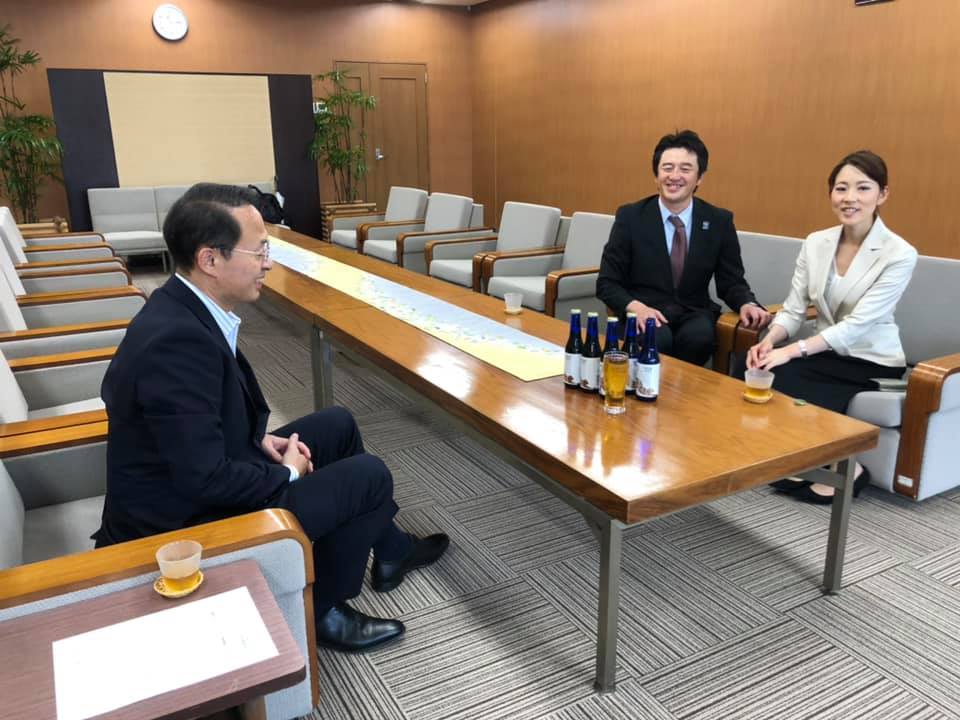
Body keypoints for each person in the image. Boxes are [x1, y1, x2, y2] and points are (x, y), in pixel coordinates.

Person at [94, 183, 449, 652]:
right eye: (259, 250)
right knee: (369, 476)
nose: (269, 263)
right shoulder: (177, 344)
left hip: (192, 481)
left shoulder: (181, 306)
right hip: (182, 529)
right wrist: (287, 473)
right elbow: (203, 479)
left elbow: (191, 425)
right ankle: (321, 610)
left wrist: (256, 440)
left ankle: (391, 550)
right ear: (210, 260)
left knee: (337, 425)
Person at [746, 150, 917, 504]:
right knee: (748, 368)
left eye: (863, 188)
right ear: (831, 194)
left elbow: (857, 325)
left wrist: (790, 352)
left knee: (786, 376)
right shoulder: (816, 242)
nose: (850, 198)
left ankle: (850, 468)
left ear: (882, 194)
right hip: (825, 352)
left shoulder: (899, 253)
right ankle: (804, 457)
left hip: (870, 359)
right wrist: (769, 341)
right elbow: (793, 310)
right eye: (841, 188)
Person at [596, 129, 771, 366]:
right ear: (656, 175)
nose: (674, 176)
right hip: (645, 310)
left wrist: (747, 303)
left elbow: (731, 281)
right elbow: (607, 282)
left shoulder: (719, 221)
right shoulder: (631, 217)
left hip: (693, 312)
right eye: (667, 168)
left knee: (699, 337)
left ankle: (684, 390)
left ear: (699, 178)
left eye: (685, 169)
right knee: (656, 338)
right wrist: (635, 307)